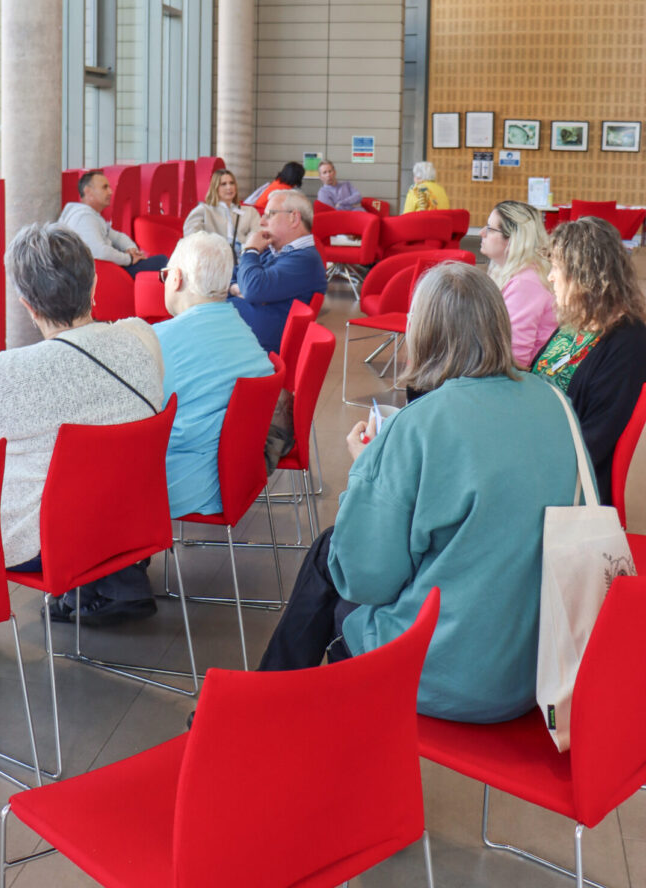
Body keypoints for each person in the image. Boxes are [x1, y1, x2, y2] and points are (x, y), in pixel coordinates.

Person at [259, 262, 578, 723]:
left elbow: (364, 579)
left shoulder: (419, 426)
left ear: (421, 332)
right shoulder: (554, 402)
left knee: (332, 559)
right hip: (541, 664)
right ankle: (263, 711)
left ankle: (266, 717)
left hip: (447, 671)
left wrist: (369, 470)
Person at [0, 223, 165, 630]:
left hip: (44, 545)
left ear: (27, 304)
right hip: (128, 524)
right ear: (95, 284)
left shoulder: (5, 374)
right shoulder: (141, 339)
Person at [154, 232, 274, 517]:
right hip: (236, 479)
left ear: (177, 278)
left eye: (164, 275)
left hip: (182, 485)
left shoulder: (161, 340)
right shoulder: (242, 331)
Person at [532, 216, 646, 503]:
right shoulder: (576, 322)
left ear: (584, 274)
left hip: (573, 484)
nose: (551, 277)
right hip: (539, 451)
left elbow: (595, 439)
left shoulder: (629, 342)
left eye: (557, 267)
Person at [229, 189, 327, 353]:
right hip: (240, 337)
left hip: (254, 350)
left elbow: (253, 289)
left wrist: (251, 250)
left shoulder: (305, 260)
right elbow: (230, 276)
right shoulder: (274, 250)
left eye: (269, 214)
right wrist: (236, 288)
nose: (262, 222)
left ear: (293, 218)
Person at [480, 200, 557, 368]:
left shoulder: (526, 282)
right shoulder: (516, 273)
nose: (481, 233)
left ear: (513, 239)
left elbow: (515, 359)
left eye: (490, 229)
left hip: (522, 381)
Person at [58, 170, 167, 277]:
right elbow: (100, 252)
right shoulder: (84, 218)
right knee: (161, 261)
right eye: (105, 187)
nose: (110, 192)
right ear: (88, 192)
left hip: (111, 272)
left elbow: (118, 237)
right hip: (106, 277)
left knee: (160, 262)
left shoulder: (92, 215)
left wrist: (131, 249)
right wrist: (129, 259)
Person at [182, 168, 261, 262]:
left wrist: (245, 248)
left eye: (232, 183)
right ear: (215, 188)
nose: (229, 187)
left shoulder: (250, 212)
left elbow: (257, 233)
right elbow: (192, 236)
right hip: (213, 260)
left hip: (243, 259)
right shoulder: (203, 211)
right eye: (223, 184)